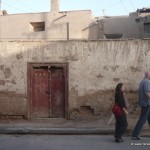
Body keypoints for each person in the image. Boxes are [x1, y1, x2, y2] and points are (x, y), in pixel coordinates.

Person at [132, 71, 150, 140]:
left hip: (145, 103)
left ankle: (135, 134)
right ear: (148, 75)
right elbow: (147, 93)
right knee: (142, 119)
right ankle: (135, 134)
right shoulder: (146, 82)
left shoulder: (142, 82)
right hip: (146, 104)